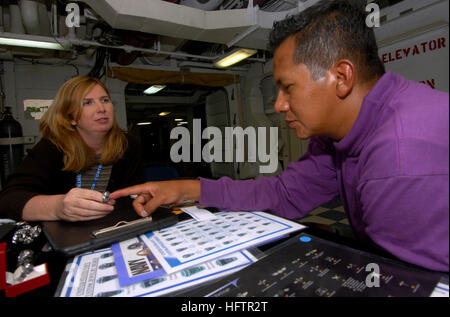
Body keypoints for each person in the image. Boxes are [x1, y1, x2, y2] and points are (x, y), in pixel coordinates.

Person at [111, 0, 449, 272]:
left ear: (341, 76)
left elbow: (408, 283)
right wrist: (184, 189)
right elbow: (285, 193)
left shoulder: (401, 157)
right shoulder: (340, 133)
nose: (278, 104)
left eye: (288, 88)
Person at [0, 76, 143, 222]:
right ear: (71, 118)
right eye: (87, 103)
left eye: (105, 100)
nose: (101, 108)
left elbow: (133, 192)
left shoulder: (129, 144)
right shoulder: (53, 146)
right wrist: (57, 208)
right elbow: (9, 199)